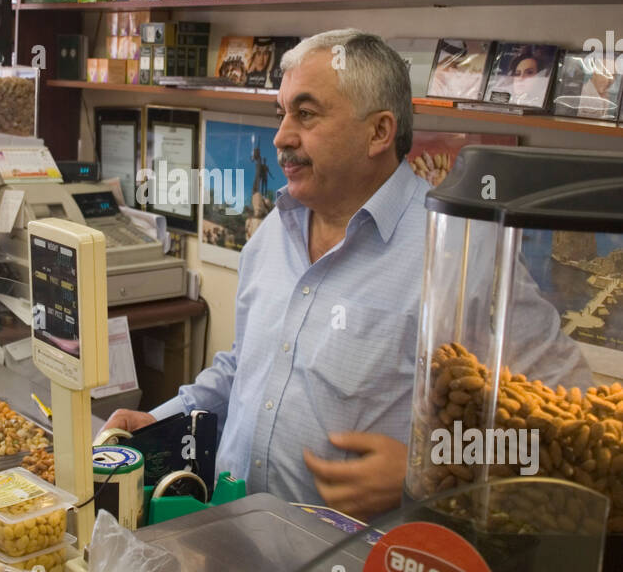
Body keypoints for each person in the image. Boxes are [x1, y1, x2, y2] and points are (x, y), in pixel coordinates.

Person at [103, 31, 589, 519]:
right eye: (282, 114)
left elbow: (569, 427)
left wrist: (425, 468)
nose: (281, 137)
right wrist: (160, 420)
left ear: (379, 132)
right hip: (234, 542)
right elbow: (243, 367)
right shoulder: (274, 229)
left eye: (306, 114)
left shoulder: (461, 252)